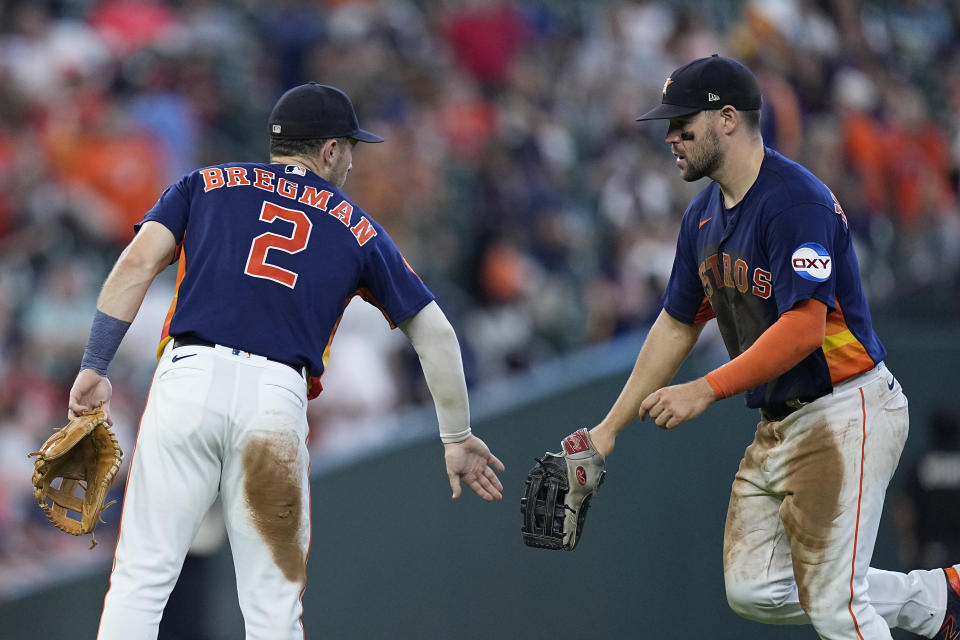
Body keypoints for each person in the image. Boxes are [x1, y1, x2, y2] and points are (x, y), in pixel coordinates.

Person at [66, 82, 505, 640]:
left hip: (187, 381)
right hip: (273, 402)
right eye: (349, 147)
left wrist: (95, 364)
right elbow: (437, 333)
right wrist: (456, 434)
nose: (350, 160)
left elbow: (136, 264)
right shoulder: (356, 226)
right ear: (328, 151)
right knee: (272, 607)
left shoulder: (204, 183)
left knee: (140, 577)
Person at [585, 55, 958, 640]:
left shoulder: (794, 201)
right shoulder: (702, 217)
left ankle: (922, 600)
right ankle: (933, 599)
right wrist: (609, 428)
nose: (670, 137)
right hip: (780, 422)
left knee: (837, 603)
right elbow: (676, 324)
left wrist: (706, 388)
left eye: (683, 123)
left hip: (846, 407)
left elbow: (805, 328)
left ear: (727, 119)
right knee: (755, 588)